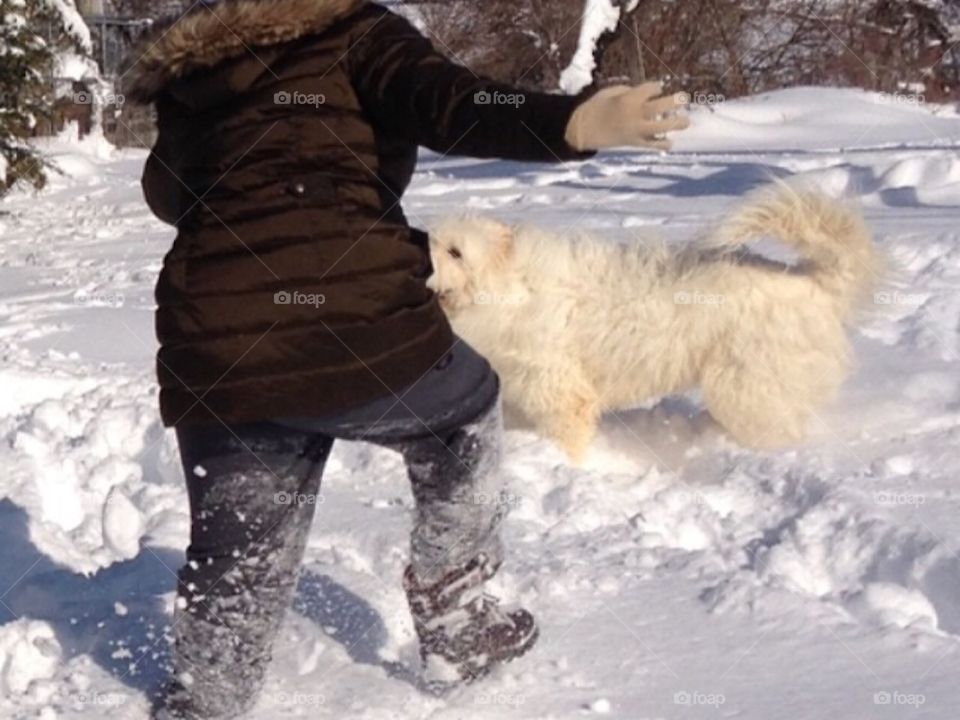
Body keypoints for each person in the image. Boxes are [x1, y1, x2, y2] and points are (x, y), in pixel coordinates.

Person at [123, 1, 688, 717]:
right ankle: (457, 616)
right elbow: (454, 104)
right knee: (468, 405)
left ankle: (206, 698)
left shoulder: (193, 69)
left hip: (215, 338)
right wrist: (572, 123)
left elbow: (169, 194)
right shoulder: (353, 29)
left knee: (237, 551)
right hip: (352, 320)